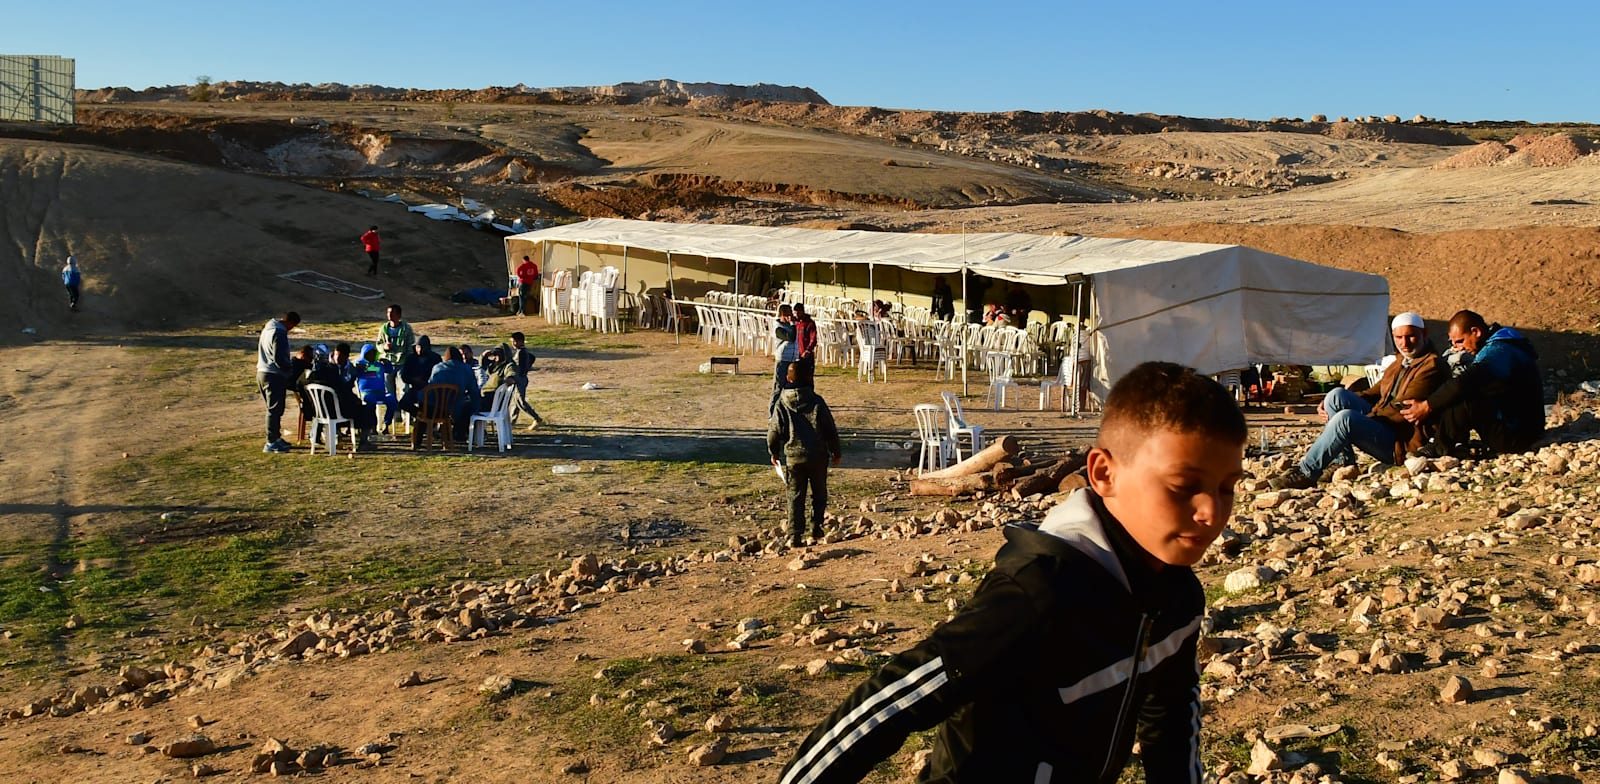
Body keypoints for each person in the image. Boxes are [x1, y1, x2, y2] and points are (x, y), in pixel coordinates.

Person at [778, 361, 1246, 784]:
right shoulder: (1040, 590)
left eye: (1227, 488)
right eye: (1184, 487)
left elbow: (1171, 716)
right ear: (1103, 473)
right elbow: (896, 699)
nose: (1211, 511)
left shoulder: (1177, 596)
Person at [1270, 312, 1448, 489]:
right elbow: (1375, 392)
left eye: (1410, 336)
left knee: (1345, 419)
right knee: (1336, 396)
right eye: (1399, 337)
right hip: (1383, 423)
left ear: (1424, 334)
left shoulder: (1431, 366)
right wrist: (1336, 403)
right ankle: (1341, 462)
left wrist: (1362, 419)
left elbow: (1401, 409)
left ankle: (1306, 473)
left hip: (1400, 441)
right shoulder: (1401, 361)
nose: (1404, 343)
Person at [1402, 309, 1544, 458]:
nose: (1458, 348)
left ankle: (1438, 448)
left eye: (1460, 341)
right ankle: (1455, 441)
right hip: (1526, 427)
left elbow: (1463, 384)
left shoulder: (1498, 351)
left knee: (1464, 394)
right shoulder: (1505, 343)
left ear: (1475, 332)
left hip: (1518, 435)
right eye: (1453, 343)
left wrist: (1426, 406)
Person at [767, 363, 842, 549]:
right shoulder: (817, 401)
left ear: (788, 379)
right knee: (819, 493)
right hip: (817, 455)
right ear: (810, 378)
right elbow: (829, 429)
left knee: (795, 496)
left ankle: (795, 535)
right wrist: (836, 451)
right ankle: (816, 527)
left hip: (794, 458)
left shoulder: (782, 403)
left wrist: (773, 452)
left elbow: (774, 431)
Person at [256, 311, 301, 453]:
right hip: (273, 375)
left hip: (262, 372)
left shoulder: (268, 329)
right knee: (274, 410)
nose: (291, 329)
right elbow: (279, 358)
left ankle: (276, 437)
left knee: (273, 409)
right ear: (290, 323)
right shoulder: (279, 333)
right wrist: (289, 370)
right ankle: (271, 442)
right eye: (292, 327)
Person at [426, 346, 481, 443]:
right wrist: (476, 408)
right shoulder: (466, 369)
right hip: (456, 406)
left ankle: (424, 436)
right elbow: (474, 391)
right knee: (467, 406)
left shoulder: (437, 367)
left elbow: (430, 387)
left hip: (436, 407)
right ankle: (460, 433)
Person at [376, 304, 414, 424]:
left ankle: (406, 414)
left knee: (404, 388)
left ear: (398, 315)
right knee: (389, 390)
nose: (389, 315)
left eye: (392, 313)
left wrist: (409, 361)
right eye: (388, 313)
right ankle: (394, 413)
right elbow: (378, 344)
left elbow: (410, 346)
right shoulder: (384, 328)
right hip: (387, 363)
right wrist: (384, 347)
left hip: (402, 362)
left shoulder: (406, 329)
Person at [397, 335, 443, 415]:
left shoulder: (435, 358)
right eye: (418, 347)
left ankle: (425, 422)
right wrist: (414, 380)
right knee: (403, 403)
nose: (420, 350)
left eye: (423, 347)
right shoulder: (411, 358)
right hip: (415, 388)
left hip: (431, 390)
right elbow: (404, 375)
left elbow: (440, 376)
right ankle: (419, 415)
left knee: (428, 406)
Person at [771, 304, 798, 416]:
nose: (790, 317)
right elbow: (790, 337)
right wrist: (792, 324)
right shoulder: (778, 328)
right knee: (778, 387)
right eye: (788, 314)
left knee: (791, 388)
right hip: (782, 359)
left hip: (793, 359)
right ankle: (772, 413)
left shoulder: (792, 326)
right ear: (782, 315)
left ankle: (788, 412)